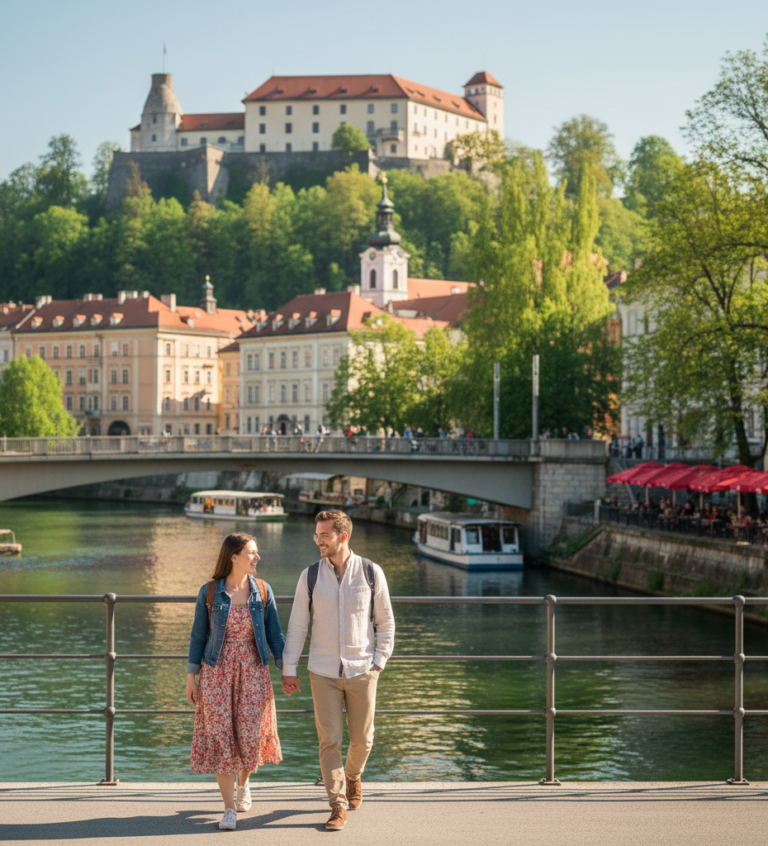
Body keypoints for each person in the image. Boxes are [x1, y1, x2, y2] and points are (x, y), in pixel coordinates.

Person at [282, 511, 395, 830]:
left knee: (363, 739)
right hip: (322, 671)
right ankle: (337, 803)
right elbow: (297, 625)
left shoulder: (372, 572)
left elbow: (385, 622)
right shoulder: (311, 575)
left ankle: (353, 776)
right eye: (316, 535)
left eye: (324, 535)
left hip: (363, 669)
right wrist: (290, 667)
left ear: (342, 537)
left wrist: (378, 662)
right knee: (329, 740)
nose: (318, 541)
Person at [186, 532, 285, 831]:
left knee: (249, 735)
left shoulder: (263, 591)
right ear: (234, 556)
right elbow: (198, 636)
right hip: (217, 673)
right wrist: (191, 677)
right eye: (252, 553)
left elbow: (275, 635)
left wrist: (287, 669)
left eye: (256, 552)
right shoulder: (210, 592)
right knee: (221, 737)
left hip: (254, 672)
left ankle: (244, 785)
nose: (257, 557)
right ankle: (229, 809)